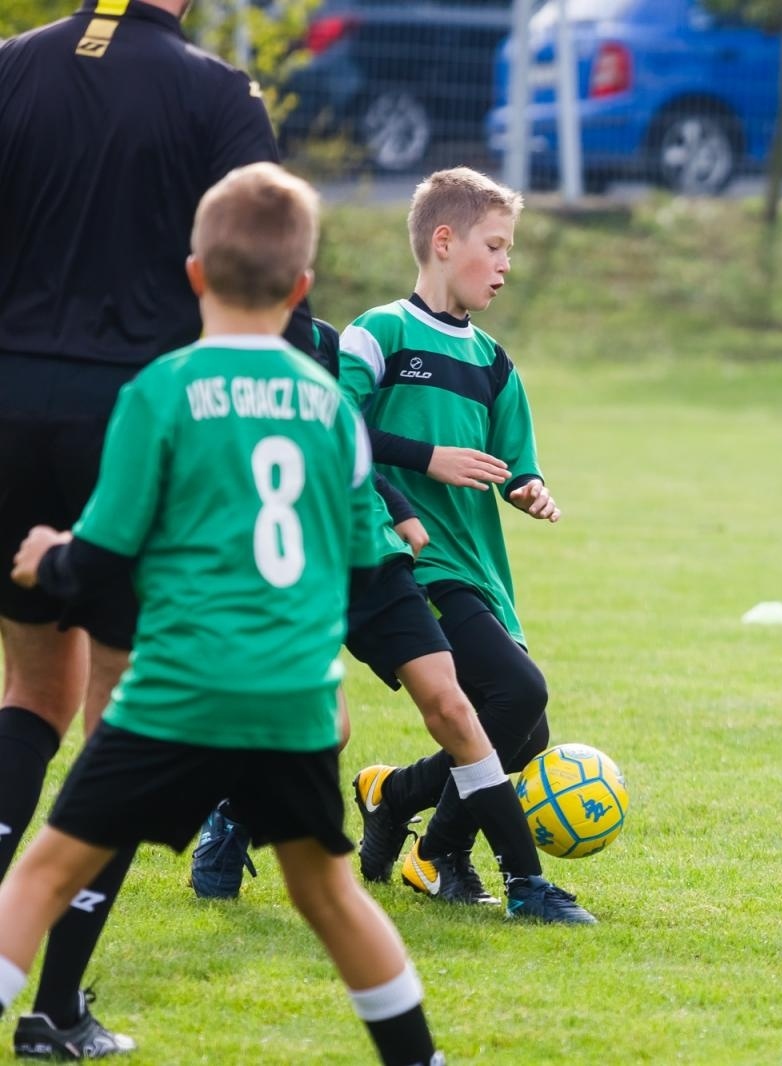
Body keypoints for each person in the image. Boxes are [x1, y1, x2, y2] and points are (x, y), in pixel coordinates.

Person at [0, 163, 443, 1065]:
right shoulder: (329, 408)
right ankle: (418, 1058)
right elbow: (367, 566)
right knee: (327, 895)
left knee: (45, 874)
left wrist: (49, 558)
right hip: (292, 701)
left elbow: (103, 560)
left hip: (179, 692)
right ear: (302, 289)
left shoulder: (161, 391)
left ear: (193, 275)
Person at [0, 0, 310, 1053]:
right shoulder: (216, 91)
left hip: (6, 406)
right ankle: (53, 1006)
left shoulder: (12, 66)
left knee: (30, 688)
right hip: (129, 422)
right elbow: (270, 269)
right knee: (116, 715)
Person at [189, 308, 594, 923]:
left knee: (461, 711)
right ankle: (236, 812)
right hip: (295, 561)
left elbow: (344, 435)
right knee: (328, 731)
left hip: (377, 552)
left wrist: (397, 505)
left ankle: (525, 885)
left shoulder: (324, 342)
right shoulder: (197, 367)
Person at [335, 168, 579, 913]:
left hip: (479, 571)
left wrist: (528, 488)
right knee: (517, 692)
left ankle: (394, 795)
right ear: (444, 241)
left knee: (525, 730)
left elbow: (516, 461)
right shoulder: (380, 333)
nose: (507, 265)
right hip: (412, 561)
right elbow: (333, 424)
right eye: (495, 247)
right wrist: (423, 457)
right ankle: (439, 854)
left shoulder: (495, 364)